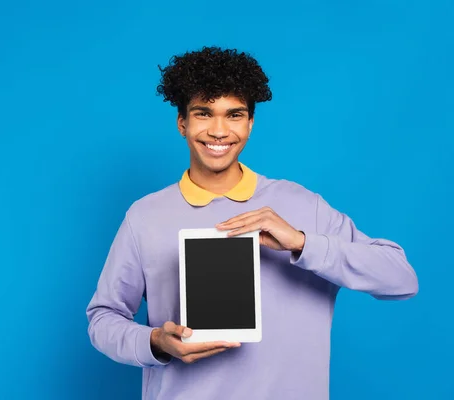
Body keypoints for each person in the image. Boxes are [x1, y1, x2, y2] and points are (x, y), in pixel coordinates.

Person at [85, 46, 418, 400]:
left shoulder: (303, 206)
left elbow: (401, 279)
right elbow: (104, 318)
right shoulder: (145, 216)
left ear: (250, 122)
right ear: (182, 122)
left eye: (234, 115)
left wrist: (303, 243)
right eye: (203, 113)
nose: (218, 131)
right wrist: (154, 342)